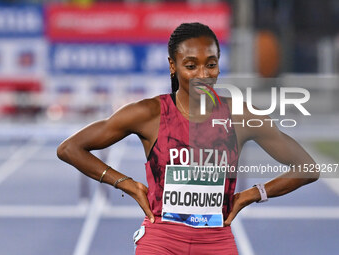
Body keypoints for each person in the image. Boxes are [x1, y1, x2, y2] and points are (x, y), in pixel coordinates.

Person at [57, 22, 319, 254]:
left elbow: (308, 168)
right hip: (161, 239)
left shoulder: (238, 116)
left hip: (216, 239)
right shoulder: (149, 114)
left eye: (211, 64)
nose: (203, 75)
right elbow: (70, 148)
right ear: (173, 65)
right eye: (191, 66)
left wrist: (254, 193)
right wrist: (125, 183)